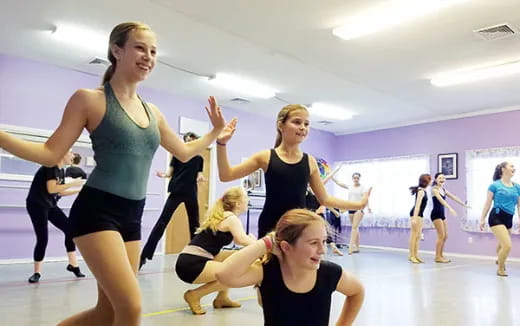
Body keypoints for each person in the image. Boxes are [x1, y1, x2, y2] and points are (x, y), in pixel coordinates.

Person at [0, 22, 225, 326]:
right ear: (116, 50)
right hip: (97, 211)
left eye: (154, 51)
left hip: (132, 214)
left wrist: (214, 132)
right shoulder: (89, 100)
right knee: (131, 308)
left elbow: (184, 153)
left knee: (107, 312)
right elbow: (49, 153)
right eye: (140, 47)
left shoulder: (153, 112)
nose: (148, 56)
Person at [216, 104, 370, 239]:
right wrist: (221, 144)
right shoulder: (266, 157)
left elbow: (325, 199)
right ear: (281, 125)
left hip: (298, 227)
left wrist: (359, 205)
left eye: (306, 124)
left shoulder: (309, 161)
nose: (303, 127)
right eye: (297, 122)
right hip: (271, 226)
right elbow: (226, 175)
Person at [215, 208, 365, 326]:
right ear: (286, 247)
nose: (322, 250)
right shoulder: (269, 271)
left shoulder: (329, 273)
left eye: (324, 241)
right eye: (313, 243)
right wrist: (265, 243)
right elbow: (224, 275)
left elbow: (357, 291)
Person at [175, 186, 256, 315]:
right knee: (233, 273)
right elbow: (240, 239)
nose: (248, 200)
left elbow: (241, 241)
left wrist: (252, 243)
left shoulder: (223, 216)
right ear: (238, 203)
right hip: (192, 264)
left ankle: (222, 298)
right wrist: (261, 245)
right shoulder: (231, 218)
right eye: (246, 198)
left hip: (187, 261)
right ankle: (194, 295)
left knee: (236, 258)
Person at [140, 131, 205, 269]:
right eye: (186, 139)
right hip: (176, 191)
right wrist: (162, 175)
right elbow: (169, 174)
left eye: (191, 139)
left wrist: (200, 177)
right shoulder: (177, 156)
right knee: (162, 222)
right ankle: (144, 256)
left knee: (195, 225)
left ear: (195, 141)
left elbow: (199, 174)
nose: (188, 141)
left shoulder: (199, 159)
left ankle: (196, 256)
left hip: (191, 193)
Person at [26, 151, 85, 283]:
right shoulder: (50, 167)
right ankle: (37, 272)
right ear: (63, 154)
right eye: (71, 154)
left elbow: (60, 191)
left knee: (70, 229)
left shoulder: (60, 171)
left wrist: (80, 189)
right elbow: (52, 189)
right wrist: (75, 183)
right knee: (43, 238)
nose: (73, 157)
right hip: (37, 205)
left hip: (50, 205)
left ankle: (73, 265)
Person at [479, 162, 520, 276]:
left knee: (502, 245)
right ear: (503, 169)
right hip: (496, 217)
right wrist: (482, 219)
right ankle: (501, 268)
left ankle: (499, 259)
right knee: (507, 245)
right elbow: (487, 204)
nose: (514, 168)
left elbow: (519, 205)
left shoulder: (517, 187)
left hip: (509, 218)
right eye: (511, 166)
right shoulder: (495, 185)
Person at [430, 172, 468, 263]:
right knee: (441, 236)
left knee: (445, 236)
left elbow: (454, 197)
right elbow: (441, 200)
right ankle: (437, 257)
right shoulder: (434, 189)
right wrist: (450, 208)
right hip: (436, 214)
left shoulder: (443, 189)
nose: (442, 179)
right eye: (440, 178)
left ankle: (441, 255)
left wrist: (463, 204)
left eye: (443, 178)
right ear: (436, 180)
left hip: (442, 214)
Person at [333, 172, 371, 254]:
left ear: (359, 178)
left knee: (354, 228)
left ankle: (351, 248)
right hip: (350, 208)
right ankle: (357, 247)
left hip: (359, 209)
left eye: (357, 178)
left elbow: (366, 198)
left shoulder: (363, 187)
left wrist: (368, 207)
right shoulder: (350, 186)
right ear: (352, 179)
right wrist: (332, 177)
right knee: (355, 228)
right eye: (354, 178)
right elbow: (340, 184)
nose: (356, 179)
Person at [408, 174, 431, 264]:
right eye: (430, 180)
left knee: (418, 236)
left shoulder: (423, 191)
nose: (431, 181)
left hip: (420, 215)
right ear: (426, 181)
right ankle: (411, 256)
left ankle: (416, 255)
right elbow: (417, 206)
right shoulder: (420, 191)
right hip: (415, 214)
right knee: (414, 236)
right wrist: (414, 218)